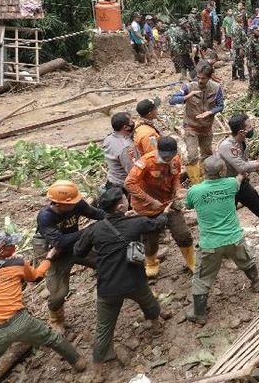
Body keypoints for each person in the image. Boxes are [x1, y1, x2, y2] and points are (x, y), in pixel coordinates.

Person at [74, 185, 169, 377]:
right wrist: (166, 212)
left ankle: (99, 368)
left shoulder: (94, 229)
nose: (127, 202)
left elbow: (78, 252)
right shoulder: (137, 222)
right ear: (119, 207)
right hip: (135, 281)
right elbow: (158, 224)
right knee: (149, 303)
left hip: (108, 286)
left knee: (103, 328)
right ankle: (156, 327)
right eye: (125, 200)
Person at [0, 231, 86, 382]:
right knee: (52, 338)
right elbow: (36, 276)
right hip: (20, 322)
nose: (15, 246)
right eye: (12, 244)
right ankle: (78, 362)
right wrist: (49, 257)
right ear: (2, 250)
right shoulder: (17, 263)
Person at [184, 156, 259, 325]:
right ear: (222, 172)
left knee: (202, 277)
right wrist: (246, 170)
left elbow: (188, 205)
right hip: (234, 238)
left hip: (210, 244)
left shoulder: (195, 191)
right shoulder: (230, 184)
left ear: (203, 172)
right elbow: (239, 177)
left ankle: (199, 314)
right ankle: (256, 282)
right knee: (245, 259)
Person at [34, 180, 105, 331]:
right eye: (71, 203)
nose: (76, 204)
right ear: (57, 204)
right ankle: (56, 318)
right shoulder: (45, 217)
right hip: (55, 253)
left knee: (104, 261)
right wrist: (87, 231)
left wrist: (114, 217)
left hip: (75, 245)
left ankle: (109, 291)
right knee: (59, 293)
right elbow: (59, 242)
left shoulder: (77, 203)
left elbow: (96, 213)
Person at [124, 136, 196, 277]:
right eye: (165, 158)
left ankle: (192, 262)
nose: (168, 160)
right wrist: (150, 200)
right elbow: (129, 183)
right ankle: (151, 263)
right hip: (146, 208)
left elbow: (175, 176)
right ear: (158, 151)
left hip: (168, 203)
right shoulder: (145, 162)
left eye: (171, 157)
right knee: (150, 239)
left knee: (183, 234)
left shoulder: (175, 159)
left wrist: (177, 189)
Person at [169, 61, 224, 183]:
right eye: (198, 77)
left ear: (209, 77)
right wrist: (187, 97)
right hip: (191, 126)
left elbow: (221, 105)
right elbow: (172, 100)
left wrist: (210, 112)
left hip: (206, 127)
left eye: (203, 78)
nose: (200, 80)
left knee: (207, 155)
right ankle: (196, 183)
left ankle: (206, 180)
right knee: (193, 156)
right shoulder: (188, 87)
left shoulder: (216, 88)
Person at [102, 111, 137, 196]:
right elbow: (132, 171)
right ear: (126, 127)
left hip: (112, 180)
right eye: (131, 122)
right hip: (122, 187)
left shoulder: (109, 138)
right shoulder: (125, 147)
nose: (134, 123)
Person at [247, 25, 259, 100]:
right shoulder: (251, 42)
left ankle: (256, 100)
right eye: (257, 30)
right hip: (254, 66)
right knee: (253, 83)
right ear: (253, 31)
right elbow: (249, 56)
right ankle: (249, 100)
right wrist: (253, 68)